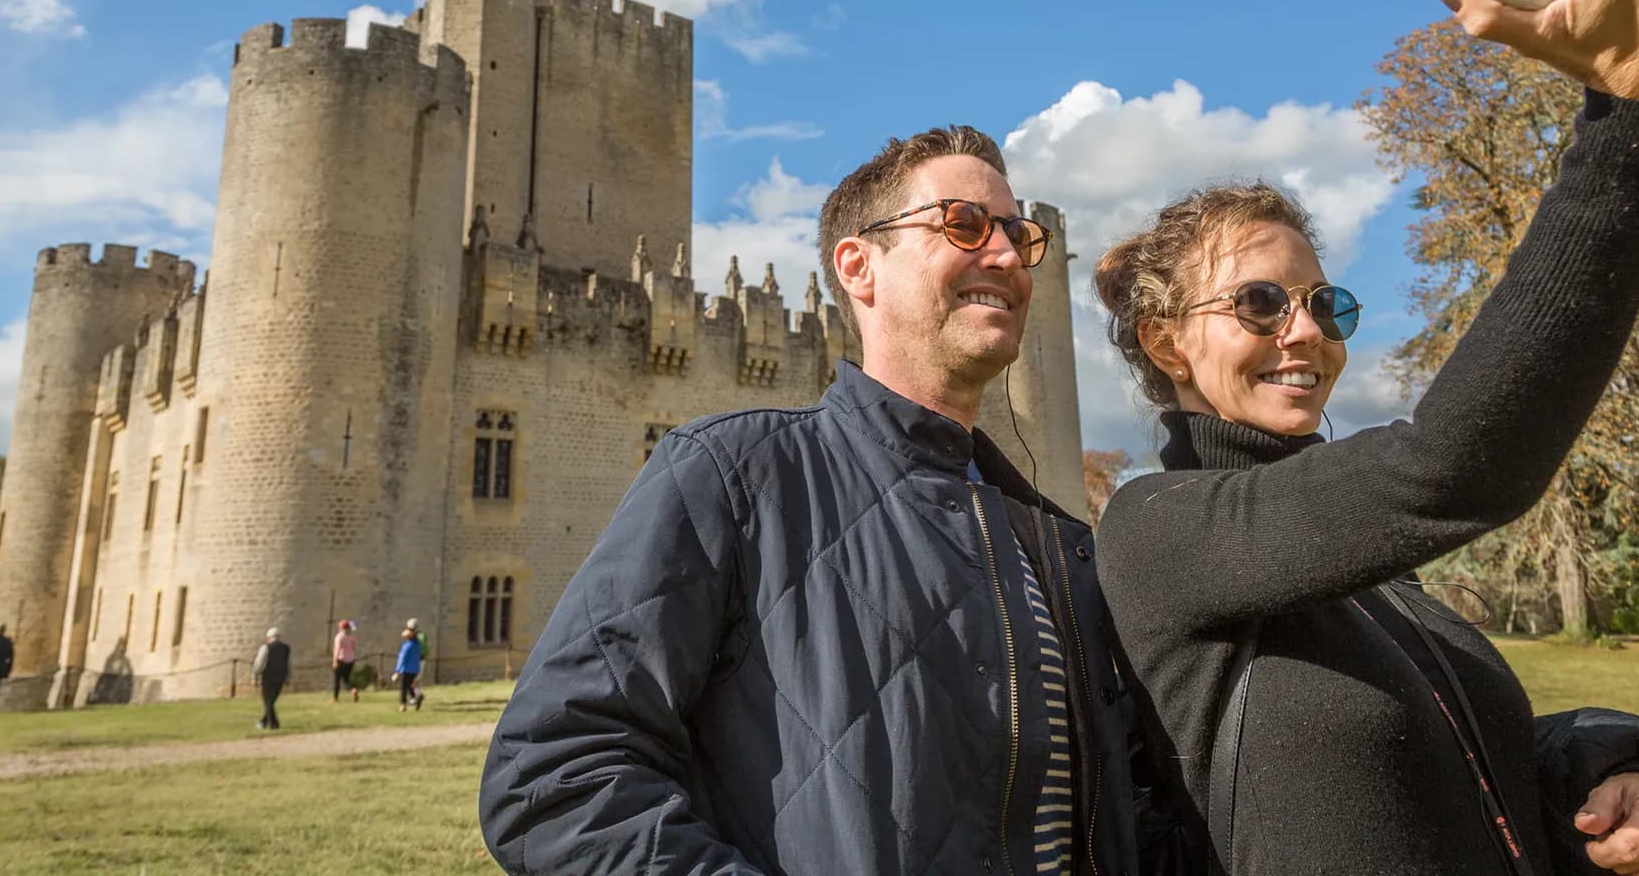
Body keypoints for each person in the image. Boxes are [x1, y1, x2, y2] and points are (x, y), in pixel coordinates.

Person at [1092, 0, 1639, 875]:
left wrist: (1621, 804)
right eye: (1260, 303)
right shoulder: (1157, 529)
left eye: (1328, 303)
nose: (1306, 332)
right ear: (1165, 341)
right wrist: (1637, 120)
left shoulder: (1383, 573)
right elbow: (1448, 466)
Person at [481, 126, 1141, 874]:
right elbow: (553, 777)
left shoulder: (1051, 542)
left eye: (1020, 236)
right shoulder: (731, 475)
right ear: (859, 267)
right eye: (964, 224)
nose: (1004, 255)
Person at [252, 627, 290, 731]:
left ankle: (274, 724)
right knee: (271, 702)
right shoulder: (286, 648)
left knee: (268, 702)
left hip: (268, 678)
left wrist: (255, 675)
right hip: (281, 678)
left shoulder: (266, 647)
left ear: (268, 637)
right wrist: (287, 678)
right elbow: (288, 664)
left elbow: (259, 663)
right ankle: (263, 722)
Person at [393, 624, 423, 712]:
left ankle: (403, 705)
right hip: (415, 669)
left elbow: (402, 659)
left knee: (403, 688)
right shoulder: (417, 644)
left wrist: (397, 671)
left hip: (406, 669)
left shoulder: (407, 646)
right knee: (410, 685)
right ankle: (416, 697)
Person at [331, 619, 359, 702]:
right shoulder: (352, 637)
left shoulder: (339, 637)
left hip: (341, 659)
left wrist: (335, 661)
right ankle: (353, 689)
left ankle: (335, 698)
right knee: (346, 680)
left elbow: (337, 650)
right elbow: (354, 648)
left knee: (337, 680)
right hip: (350, 660)